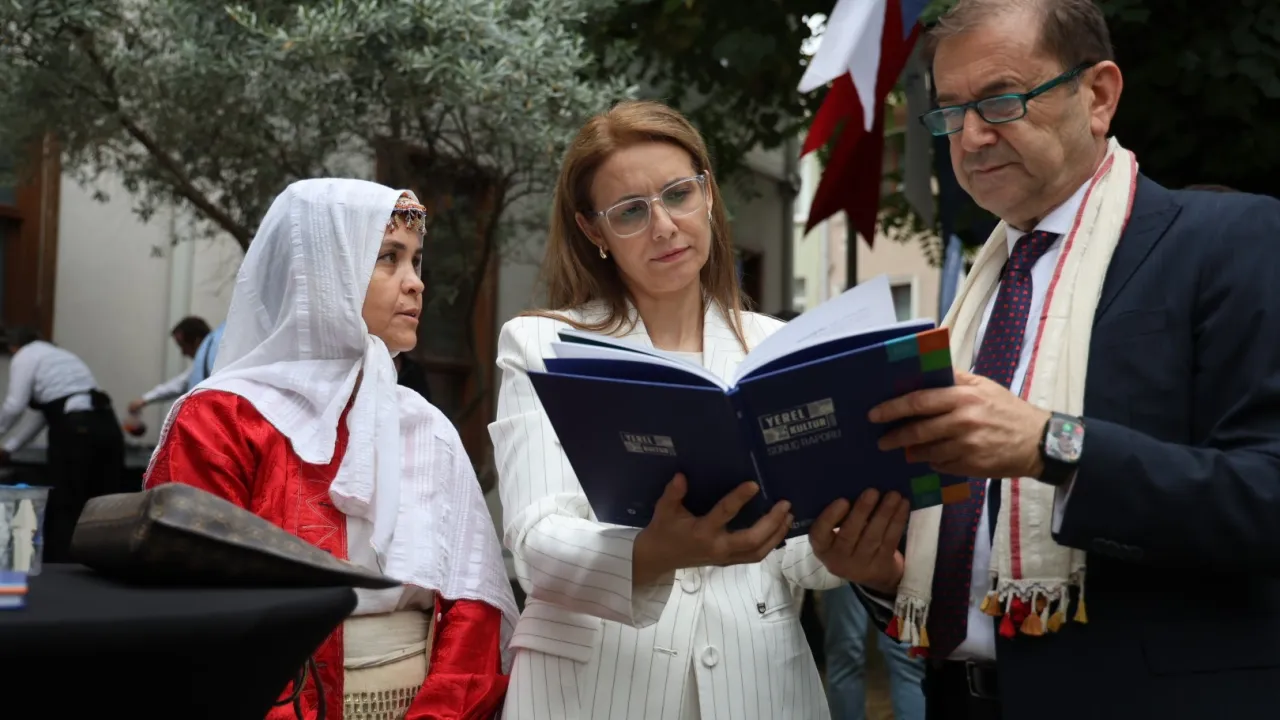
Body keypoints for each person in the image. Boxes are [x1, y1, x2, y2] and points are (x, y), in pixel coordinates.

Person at [808, 1, 1280, 718]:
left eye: (1001, 100)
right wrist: (882, 573)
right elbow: (965, 554)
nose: (971, 135)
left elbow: (1265, 495)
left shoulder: (1230, 240)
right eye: (950, 112)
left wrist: (1052, 446)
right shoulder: (974, 297)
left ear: (1099, 95)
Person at [490, 100, 848, 720]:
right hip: (594, 690)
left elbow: (796, 548)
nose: (663, 226)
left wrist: (839, 547)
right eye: (630, 211)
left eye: (678, 194)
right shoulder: (542, 344)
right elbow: (536, 541)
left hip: (757, 683)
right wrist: (653, 552)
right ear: (593, 231)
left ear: (707, 195)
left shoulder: (778, 346)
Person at [144, 179, 519, 720]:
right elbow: (197, 613)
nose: (416, 283)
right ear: (323, 272)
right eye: (389, 258)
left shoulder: (426, 426)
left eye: (416, 261)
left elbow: (473, 608)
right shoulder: (222, 419)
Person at [0, 327, 124, 562]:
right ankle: (102, 559)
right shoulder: (61, 356)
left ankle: (62, 563)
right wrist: (9, 448)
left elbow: (14, 405)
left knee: (66, 500)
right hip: (106, 425)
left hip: (75, 431)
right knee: (103, 500)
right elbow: (44, 415)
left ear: (14, 347)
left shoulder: (24, 356)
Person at [127, 316, 211, 415]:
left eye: (183, 346)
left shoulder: (214, 362)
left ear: (197, 341)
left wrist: (144, 399)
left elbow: (181, 384)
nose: (183, 353)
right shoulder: (203, 363)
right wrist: (144, 399)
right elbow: (181, 383)